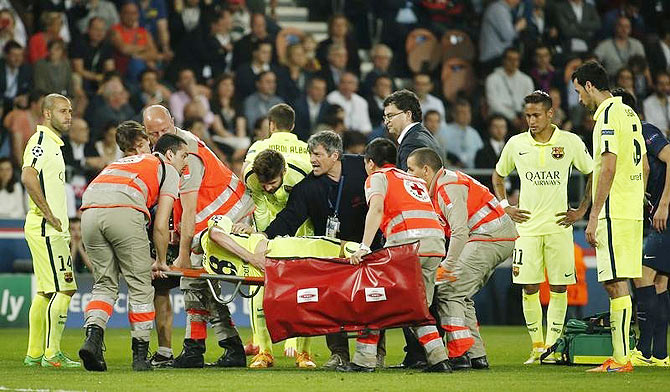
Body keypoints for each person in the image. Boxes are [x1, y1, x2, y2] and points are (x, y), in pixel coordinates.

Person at [143, 104, 253, 369]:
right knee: (199, 284)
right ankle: (219, 347)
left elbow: (191, 208)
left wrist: (181, 254)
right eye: (154, 133)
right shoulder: (168, 150)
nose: (159, 136)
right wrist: (175, 228)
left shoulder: (185, 154)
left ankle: (201, 347)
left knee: (192, 278)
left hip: (230, 216)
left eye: (164, 129)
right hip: (214, 219)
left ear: (173, 121)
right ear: (147, 134)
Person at [263, 130, 383, 369]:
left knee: (373, 301)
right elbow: (289, 218)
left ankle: (376, 353)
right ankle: (339, 353)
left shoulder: (364, 170)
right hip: (333, 256)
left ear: (335, 155)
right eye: (310, 154)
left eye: (317, 154)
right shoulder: (308, 187)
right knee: (333, 304)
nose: (312, 159)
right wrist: (264, 235)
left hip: (368, 249)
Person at [492, 90, 594, 364]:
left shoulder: (570, 142)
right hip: (526, 228)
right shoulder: (516, 143)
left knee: (560, 287)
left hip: (559, 226)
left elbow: (593, 171)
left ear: (551, 113)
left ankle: (552, 347)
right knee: (529, 286)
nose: (531, 120)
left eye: (536, 115)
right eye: (527, 115)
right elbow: (498, 174)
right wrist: (505, 207)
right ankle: (537, 347)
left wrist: (582, 209)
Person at [78, 126, 187, 372]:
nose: (184, 164)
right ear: (169, 155)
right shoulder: (167, 170)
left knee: (104, 284)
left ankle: (92, 340)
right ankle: (140, 356)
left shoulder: (124, 161)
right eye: (183, 157)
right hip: (123, 212)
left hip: (88, 212)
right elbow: (161, 226)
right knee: (141, 288)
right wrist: (160, 261)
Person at [341, 138, 450, 373]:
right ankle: (439, 358)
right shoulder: (413, 179)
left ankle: (364, 361)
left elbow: (376, 209)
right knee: (418, 307)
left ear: (370, 163)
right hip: (435, 245)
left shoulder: (377, 178)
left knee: (373, 299)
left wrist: (364, 247)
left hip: (407, 246)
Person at [407, 147, 518, 370]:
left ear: (426, 170)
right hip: (492, 236)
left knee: (449, 290)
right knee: (461, 294)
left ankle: (460, 354)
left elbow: (459, 232)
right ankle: (477, 355)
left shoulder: (447, 186)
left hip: (488, 236)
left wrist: (447, 266)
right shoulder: (444, 183)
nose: (408, 175)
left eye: (411, 169)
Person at [572, 60, 648, 372]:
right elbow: (642, 165)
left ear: (590, 86)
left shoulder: (605, 115)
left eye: (579, 91)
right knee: (619, 280)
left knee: (615, 282)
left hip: (614, 210)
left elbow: (609, 165)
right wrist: (637, 197)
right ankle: (623, 356)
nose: (578, 99)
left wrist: (593, 215)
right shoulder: (630, 112)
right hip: (630, 208)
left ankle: (621, 358)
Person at [241, 103, 313, 367]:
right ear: (292, 125)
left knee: (259, 282)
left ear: (270, 125)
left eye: (273, 182)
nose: (269, 187)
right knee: (304, 286)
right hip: (299, 227)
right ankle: (299, 351)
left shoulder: (255, 150)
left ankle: (264, 350)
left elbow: (255, 198)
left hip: (287, 221)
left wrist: (261, 233)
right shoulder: (306, 150)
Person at [612, 88, 670, 367]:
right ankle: (659, 353)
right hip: (656, 217)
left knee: (643, 278)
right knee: (660, 282)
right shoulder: (627, 137)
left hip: (665, 216)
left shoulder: (646, 130)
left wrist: (664, 204)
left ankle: (645, 352)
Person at [21, 94, 80, 368]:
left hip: (49, 228)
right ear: (47, 114)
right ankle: (51, 353)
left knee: (46, 291)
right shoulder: (41, 142)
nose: (68, 115)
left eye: (70, 111)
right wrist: (48, 213)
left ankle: (34, 354)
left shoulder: (54, 144)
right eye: (63, 111)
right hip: (47, 229)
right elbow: (27, 176)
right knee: (65, 289)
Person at [383, 89, 440, 171]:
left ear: (408, 115)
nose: (386, 121)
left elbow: (409, 182)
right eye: (385, 117)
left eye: (390, 116)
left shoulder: (412, 143)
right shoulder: (424, 135)